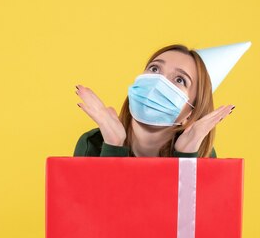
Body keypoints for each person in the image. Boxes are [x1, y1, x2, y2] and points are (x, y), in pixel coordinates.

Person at [72, 43, 248, 158]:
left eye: (180, 80)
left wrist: (186, 157)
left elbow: (194, 215)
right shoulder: (94, 144)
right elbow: (94, 212)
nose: (158, 83)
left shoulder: (200, 153)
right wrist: (113, 147)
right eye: (154, 68)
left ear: (191, 113)